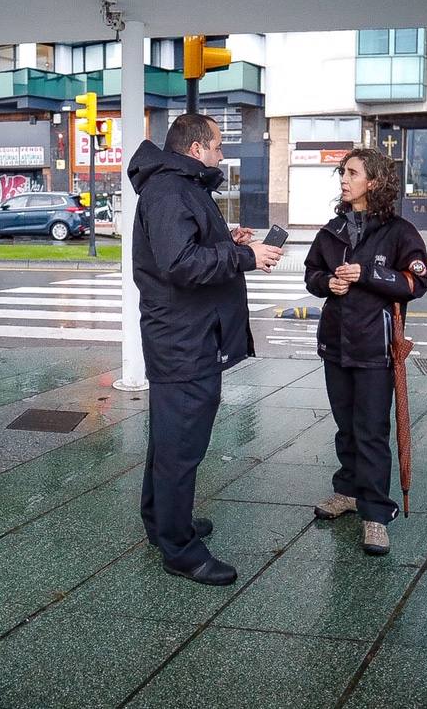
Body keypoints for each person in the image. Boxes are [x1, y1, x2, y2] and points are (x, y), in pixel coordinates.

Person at [128, 113, 284, 585]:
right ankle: (180, 550)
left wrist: (226, 239)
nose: (222, 153)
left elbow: (188, 246)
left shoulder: (180, 186)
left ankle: (163, 522)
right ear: (196, 149)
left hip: (185, 335)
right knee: (182, 447)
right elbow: (180, 263)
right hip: (183, 339)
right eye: (217, 145)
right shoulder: (170, 190)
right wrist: (245, 257)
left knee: (169, 440)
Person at [305, 148, 427, 555]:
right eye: (343, 172)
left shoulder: (400, 232)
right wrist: (328, 284)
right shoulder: (331, 230)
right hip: (335, 345)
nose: (344, 179)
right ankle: (349, 493)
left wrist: (368, 274)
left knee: (372, 432)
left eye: (352, 173)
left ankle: (376, 512)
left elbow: (416, 283)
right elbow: (312, 274)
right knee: (346, 427)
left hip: (376, 350)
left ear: (373, 182)